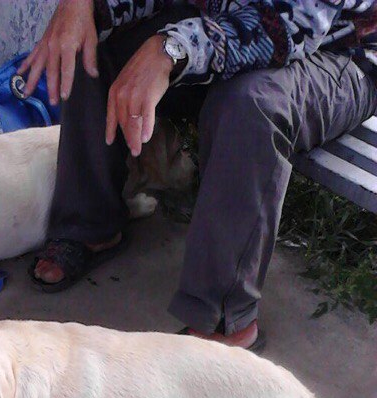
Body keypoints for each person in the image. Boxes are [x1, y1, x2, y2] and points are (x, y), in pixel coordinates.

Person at [20, 0, 377, 350]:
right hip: (220, 18)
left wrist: (171, 49)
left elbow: (284, 27)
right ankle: (90, 223)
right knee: (92, 38)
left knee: (248, 104)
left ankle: (224, 317)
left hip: (339, 51)